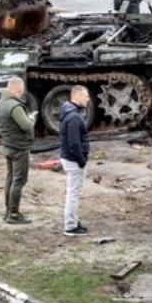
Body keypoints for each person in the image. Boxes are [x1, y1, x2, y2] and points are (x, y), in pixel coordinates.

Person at [0, 77, 35, 224]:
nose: (23, 90)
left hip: (8, 145)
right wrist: (31, 119)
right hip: (19, 148)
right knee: (18, 181)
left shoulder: (1, 103)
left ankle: (8, 211)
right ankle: (13, 214)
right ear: (19, 89)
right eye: (22, 88)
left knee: (10, 179)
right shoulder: (15, 106)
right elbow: (26, 126)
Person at [59, 85, 91, 236]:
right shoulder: (74, 117)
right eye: (86, 96)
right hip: (74, 160)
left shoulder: (70, 113)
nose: (88, 99)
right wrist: (81, 160)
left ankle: (73, 221)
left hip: (70, 159)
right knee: (74, 193)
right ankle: (70, 227)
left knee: (73, 192)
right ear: (77, 97)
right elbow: (74, 143)